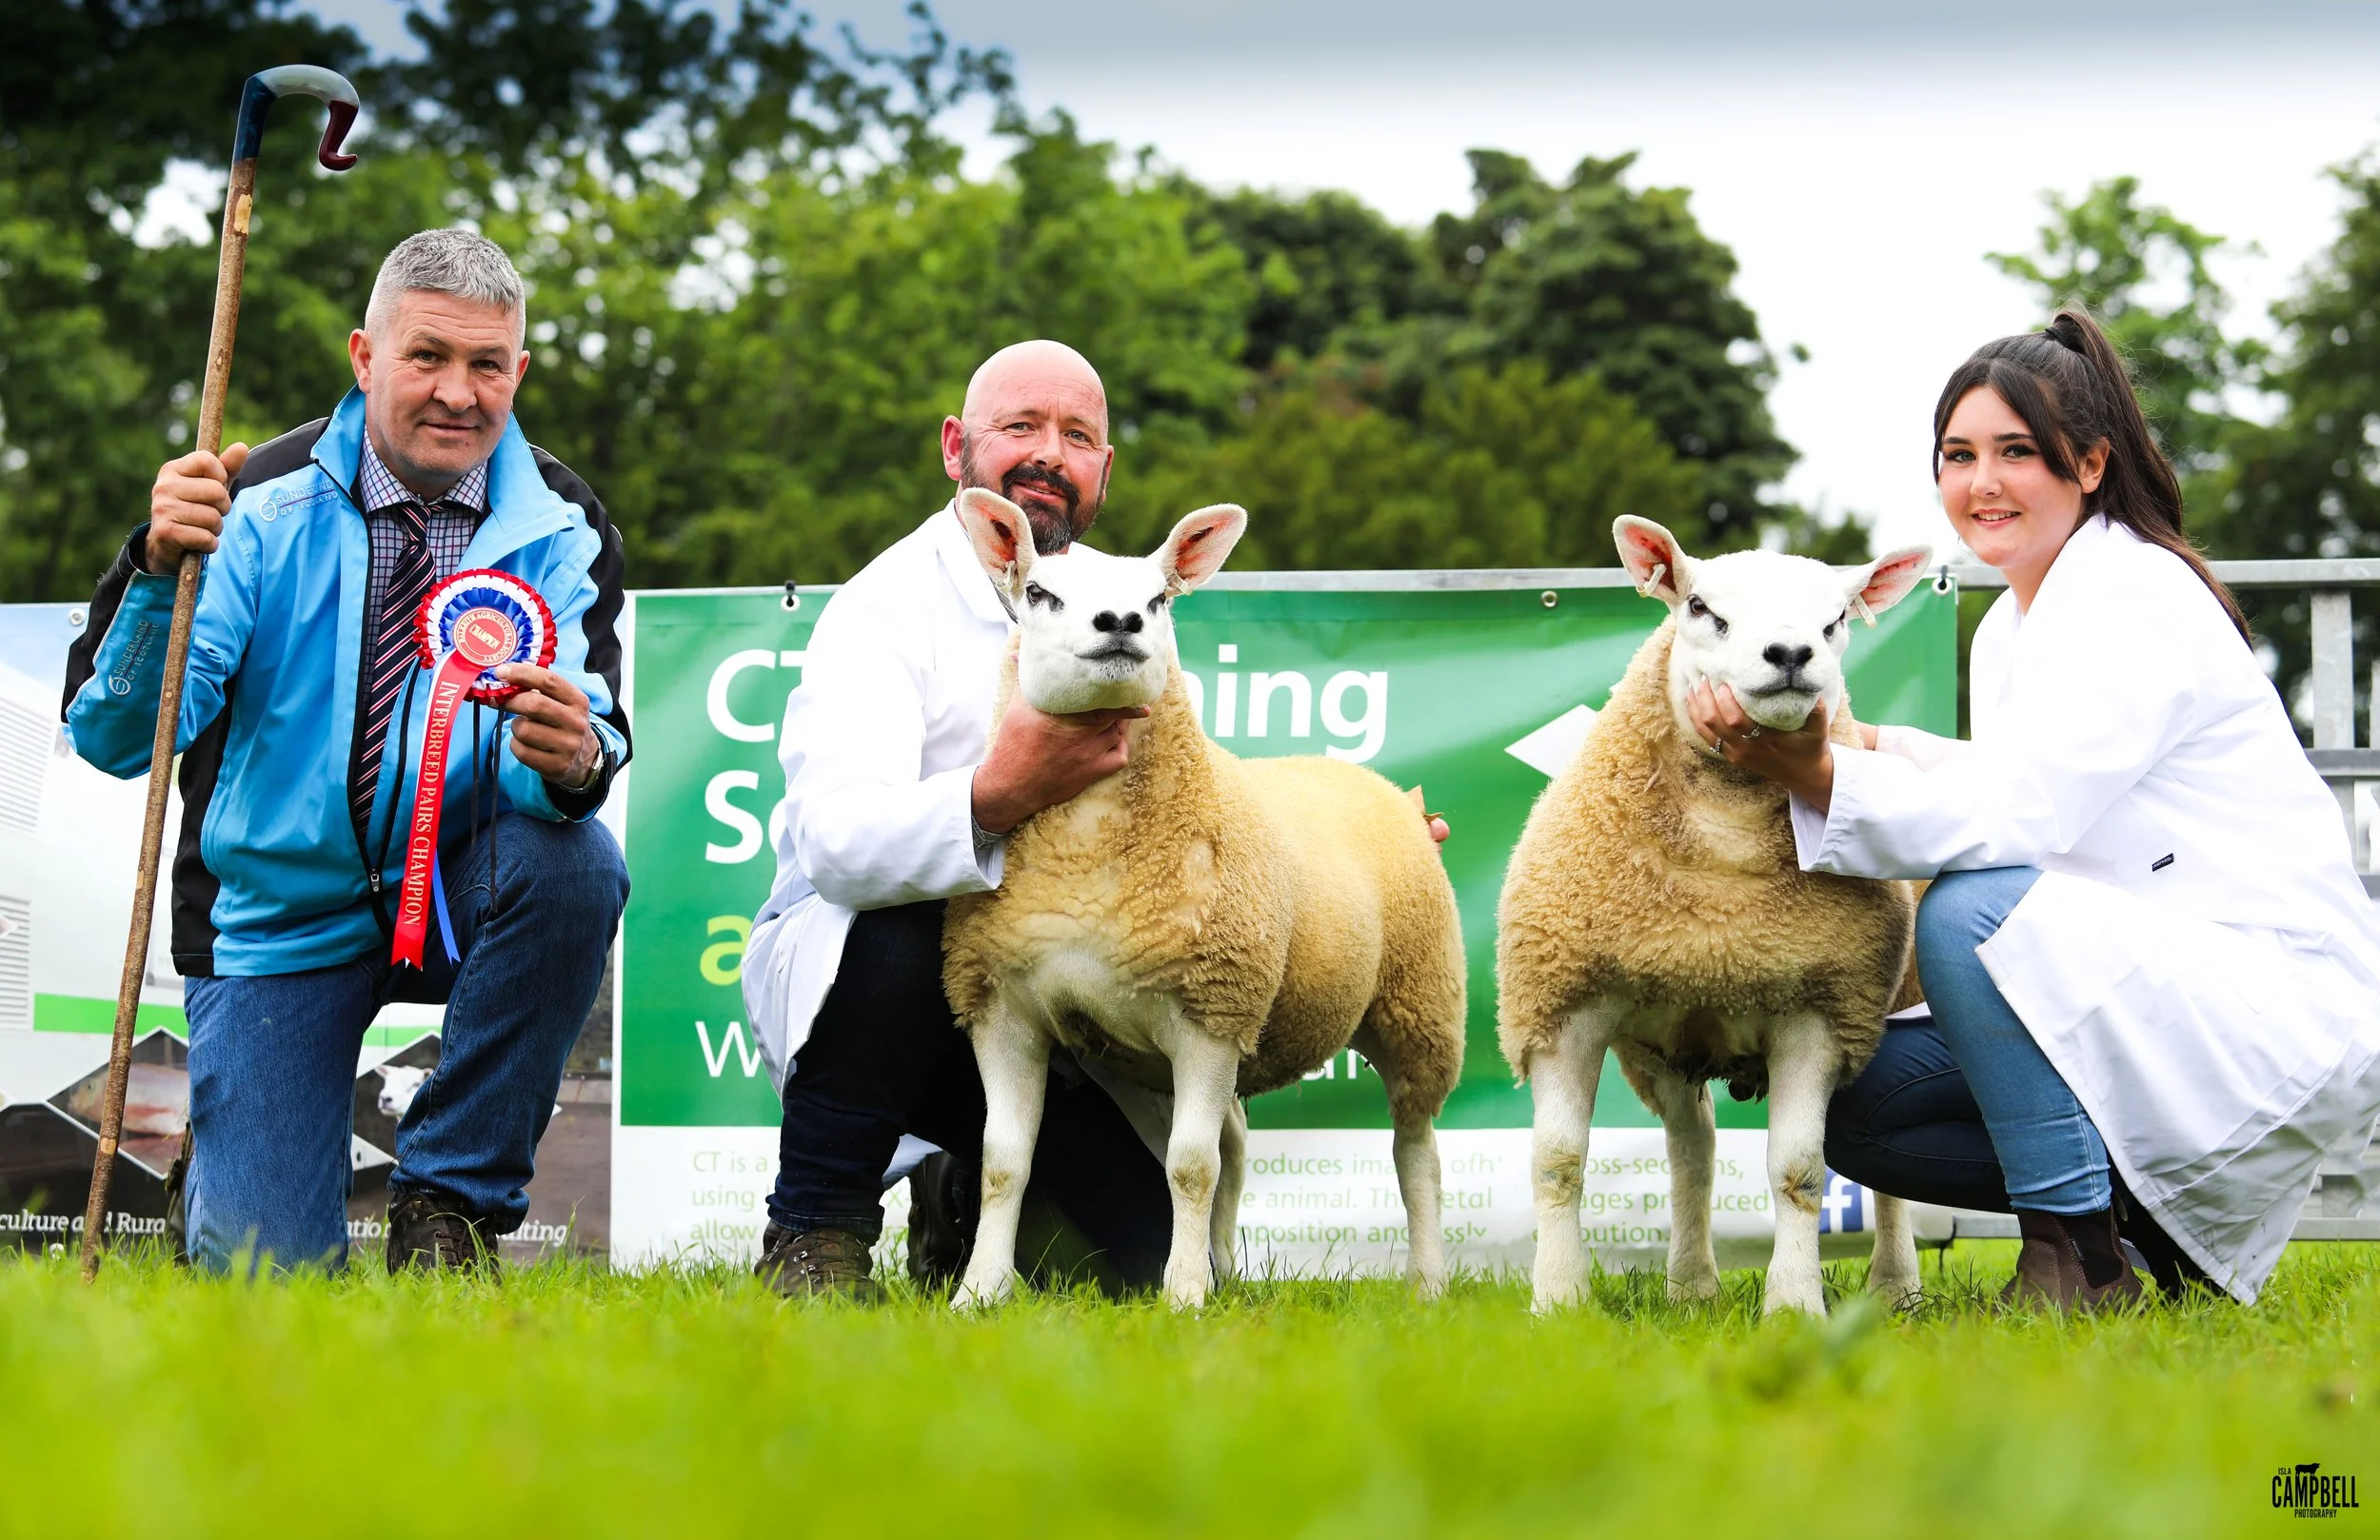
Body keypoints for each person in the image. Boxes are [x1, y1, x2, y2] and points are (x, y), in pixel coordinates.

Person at [1691, 307, 2380, 1310]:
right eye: (1958, 455)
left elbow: (2022, 815)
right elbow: (2020, 778)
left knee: (1971, 910)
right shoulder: (2011, 625)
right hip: (2148, 984)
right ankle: (2147, 1232)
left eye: (2016, 451)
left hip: (2258, 999)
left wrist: (1816, 774)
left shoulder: (2135, 594)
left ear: (2089, 465)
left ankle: (2078, 1260)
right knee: (1862, 1096)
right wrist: (1863, 745)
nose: (1982, 482)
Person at [61, 228, 631, 1274]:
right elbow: (118, 739)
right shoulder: (252, 499)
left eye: (487, 364)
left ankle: (448, 1204)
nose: (458, 393)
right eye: (427, 356)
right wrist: (153, 566)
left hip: (459, 891)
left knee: (578, 864)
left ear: (519, 371)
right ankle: (221, 1173)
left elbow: (587, 741)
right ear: (365, 357)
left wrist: (570, 759)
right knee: (268, 1279)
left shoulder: (563, 518)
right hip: (277, 917)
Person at [742, 341, 1179, 1302]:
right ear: (956, 448)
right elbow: (838, 846)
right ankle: (816, 1228)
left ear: (1104, 470)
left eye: (1077, 436)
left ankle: (957, 1192)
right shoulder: (883, 607)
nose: (1049, 453)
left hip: (1059, 992)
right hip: (885, 985)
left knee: (1138, 1264)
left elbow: (1188, 796)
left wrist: (1354, 838)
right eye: (1020, 426)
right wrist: (996, 795)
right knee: (908, 919)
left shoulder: (1125, 604)